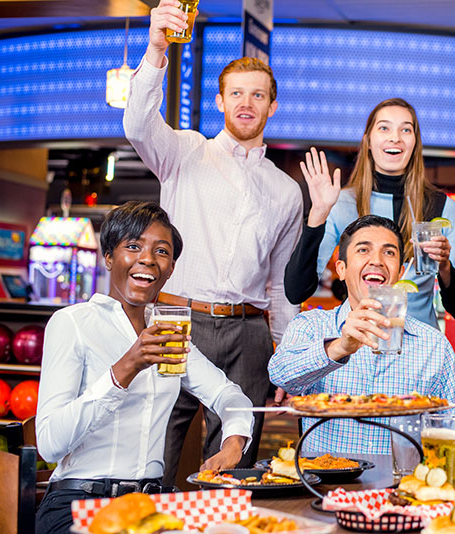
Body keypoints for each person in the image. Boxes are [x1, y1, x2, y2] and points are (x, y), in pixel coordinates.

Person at [123, 0, 302, 479]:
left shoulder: (286, 192)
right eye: (236, 94)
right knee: (155, 449)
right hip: (178, 320)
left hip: (249, 334)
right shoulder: (184, 152)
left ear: (272, 106)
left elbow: (281, 287)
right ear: (220, 101)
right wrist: (157, 47)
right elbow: (137, 124)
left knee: (235, 466)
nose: (246, 103)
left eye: (258, 95)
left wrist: (283, 360)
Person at [35, 202, 254, 534]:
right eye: (133, 246)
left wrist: (234, 442)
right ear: (109, 256)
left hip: (152, 507)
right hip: (78, 506)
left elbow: (229, 395)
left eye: (161, 251)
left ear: (170, 269)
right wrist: (125, 368)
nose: (148, 258)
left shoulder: (170, 335)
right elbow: (50, 443)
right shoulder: (73, 323)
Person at [270, 215, 455, 454]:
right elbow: (280, 376)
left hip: (402, 485)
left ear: (401, 273)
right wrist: (340, 347)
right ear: (342, 269)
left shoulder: (432, 344)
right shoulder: (311, 325)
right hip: (325, 482)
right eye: (363, 250)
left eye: (389, 253)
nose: (377, 261)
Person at [283, 98, 455, 328]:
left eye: (406, 129)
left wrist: (444, 266)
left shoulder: (442, 207)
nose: (395, 137)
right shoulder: (341, 203)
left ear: (415, 143)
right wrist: (317, 215)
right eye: (384, 128)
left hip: (420, 350)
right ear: (368, 141)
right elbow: (296, 291)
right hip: (356, 343)